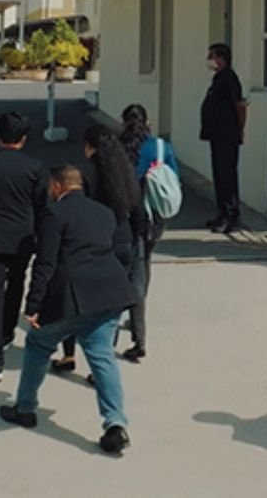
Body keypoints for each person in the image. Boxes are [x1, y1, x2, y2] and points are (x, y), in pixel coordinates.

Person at [0, 165, 136, 455]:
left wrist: (33, 304)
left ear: (57, 186)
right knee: (102, 357)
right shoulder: (104, 212)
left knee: (38, 344)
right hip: (109, 292)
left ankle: (25, 408)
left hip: (72, 296)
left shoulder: (54, 214)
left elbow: (45, 262)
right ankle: (115, 424)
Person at [52, 125, 143, 374]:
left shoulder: (84, 174)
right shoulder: (126, 171)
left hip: (92, 242)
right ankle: (102, 363)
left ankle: (68, 354)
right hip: (122, 241)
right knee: (111, 306)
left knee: (74, 300)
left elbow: (77, 209)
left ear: (89, 146)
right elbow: (137, 210)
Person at [0, 112, 46, 383]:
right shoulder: (35, 167)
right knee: (16, 285)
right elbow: (43, 205)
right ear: (24, 138)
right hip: (22, 238)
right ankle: (6, 333)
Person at [119, 103, 179, 362]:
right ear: (148, 123)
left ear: (123, 122)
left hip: (129, 215)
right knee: (143, 265)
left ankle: (138, 333)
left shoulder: (119, 147)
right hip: (156, 216)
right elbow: (173, 178)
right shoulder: (161, 147)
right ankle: (136, 316)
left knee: (132, 270)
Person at [200, 42, 246, 234]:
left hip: (227, 135)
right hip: (217, 135)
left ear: (221, 58)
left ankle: (231, 215)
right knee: (219, 174)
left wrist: (240, 130)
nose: (209, 60)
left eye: (212, 56)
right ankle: (221, 212)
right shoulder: (218, 78)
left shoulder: (229, 78)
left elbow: (240, 106)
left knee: (227, 175)